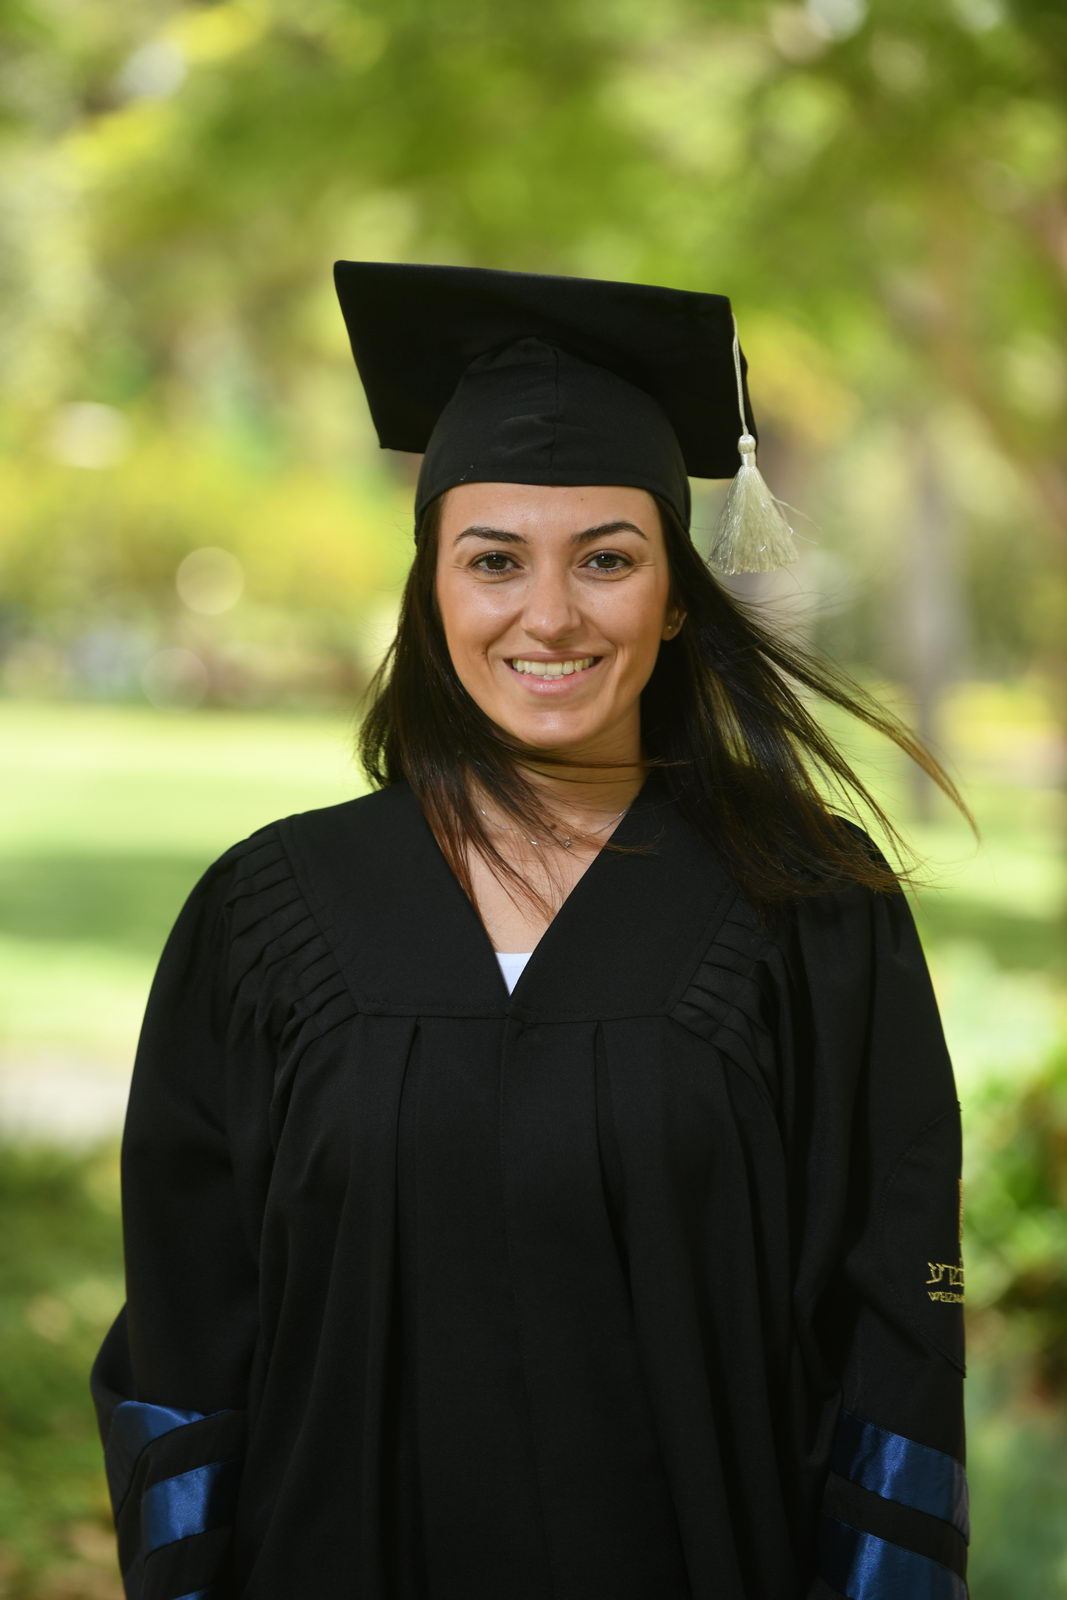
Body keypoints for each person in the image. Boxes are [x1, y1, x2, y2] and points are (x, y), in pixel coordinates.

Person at [90, 262, 974, 1600]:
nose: (548, 614)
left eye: (606, 560)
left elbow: (893, 1341)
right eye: (493, 559)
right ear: (431, 590)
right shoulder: (266, 917)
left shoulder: (814, 912)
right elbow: (187, 1332)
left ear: (675, 595)